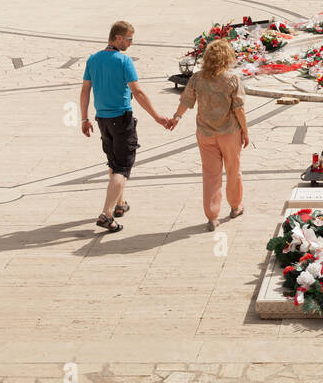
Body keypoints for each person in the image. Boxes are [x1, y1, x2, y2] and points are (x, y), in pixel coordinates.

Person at [80, 19, 172, 232]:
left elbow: (85, 90)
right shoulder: (123, 61)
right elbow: (138, 92)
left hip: (101, 119)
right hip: (121, 119)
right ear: (118, 38)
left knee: (113, 163)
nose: (131, 43)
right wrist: (157, 117)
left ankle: (120, 204)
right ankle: (106, 214)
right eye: (129, 39)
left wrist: (84, 119)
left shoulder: (93, 59)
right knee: (122, 168)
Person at [167, 38, 250, 230]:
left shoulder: (197, 78)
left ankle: (212, 216)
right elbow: (239, 109)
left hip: (205, 133)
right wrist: (245, 132)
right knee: (233, 169)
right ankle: (235, 206)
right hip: (229, 132)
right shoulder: (232, 80)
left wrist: (176, 118)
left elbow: (186, 101)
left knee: (210, 174)